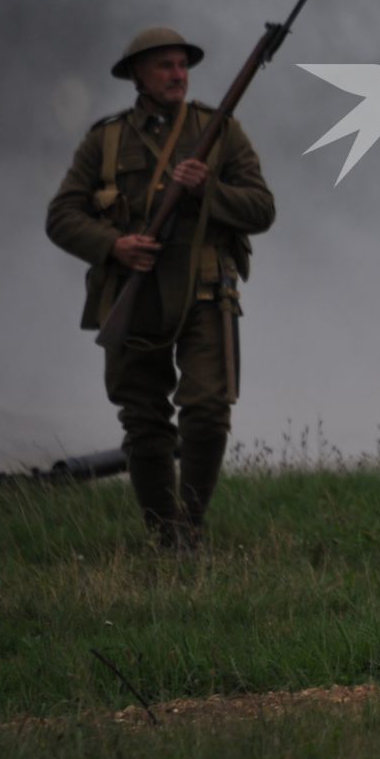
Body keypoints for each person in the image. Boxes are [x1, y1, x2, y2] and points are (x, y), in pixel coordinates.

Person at [46, 27, 275, 549]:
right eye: (164, 66)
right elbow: (62, 217)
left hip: (205, 291)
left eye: (181, 65)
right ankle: (162, 533)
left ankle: (190, 524)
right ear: (137, 77)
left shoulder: (220, 131)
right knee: (144, 417)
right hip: (135, 289)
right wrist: (115, 245)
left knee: (209, 409)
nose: (177, 74)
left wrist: (207, 190)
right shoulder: (104, 141)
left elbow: (262, 209)